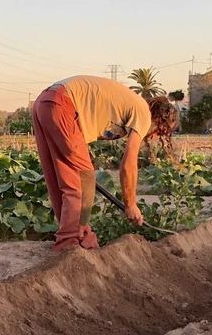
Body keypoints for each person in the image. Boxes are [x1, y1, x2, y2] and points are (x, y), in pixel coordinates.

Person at [32, 75, 153, 251]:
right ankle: (69, 243)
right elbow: (129, 164)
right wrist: (131, 205)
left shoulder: (128, 105)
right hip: (61, 104)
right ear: (161, 123)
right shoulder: (144, 114)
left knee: (60, 177)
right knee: (84, 179)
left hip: (44, 103)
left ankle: (79, 236)